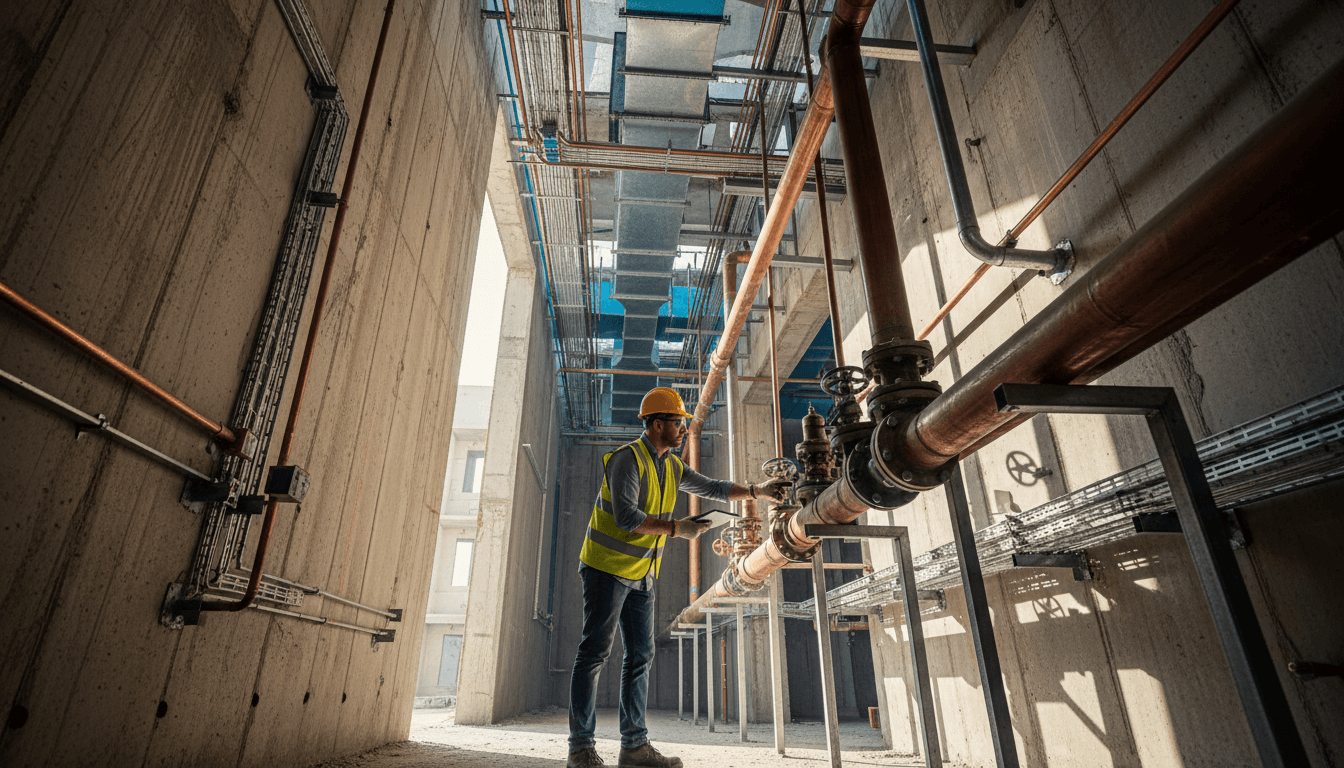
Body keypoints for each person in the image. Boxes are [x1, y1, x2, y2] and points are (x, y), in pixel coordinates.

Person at [567, 387, 789, 768]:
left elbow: (713, 488)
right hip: (606, 568)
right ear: (656, 424)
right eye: (677, 422)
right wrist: (677, 529)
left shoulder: (671, 464)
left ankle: (633, 748)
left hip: (641, 576)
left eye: (684, 423)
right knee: (594, 654)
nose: (684, 428)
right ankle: (580, 749)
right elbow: (627, 518)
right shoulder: (627, 459)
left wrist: (757, 491)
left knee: (640, 656)